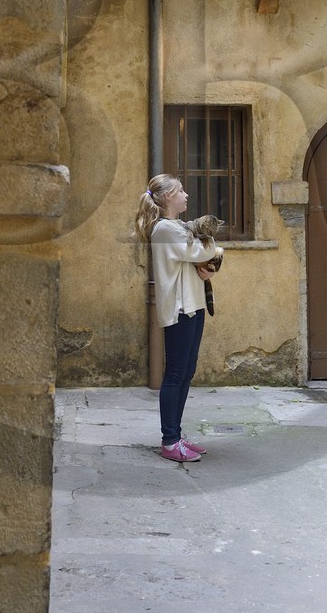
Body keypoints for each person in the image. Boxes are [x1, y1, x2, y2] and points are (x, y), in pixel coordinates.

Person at [134, 174, 221, 464]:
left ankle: (177, 434)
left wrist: (207, 265)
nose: (186, 195)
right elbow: (206, 250)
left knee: (186, 373)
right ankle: (169, 440)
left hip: (194, 307)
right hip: (180, 310)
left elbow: (204, 257)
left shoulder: (179, 227)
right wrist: (210, 254)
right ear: (167, 197)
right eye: (180, 191)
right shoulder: (165, 230)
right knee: (174, 374)